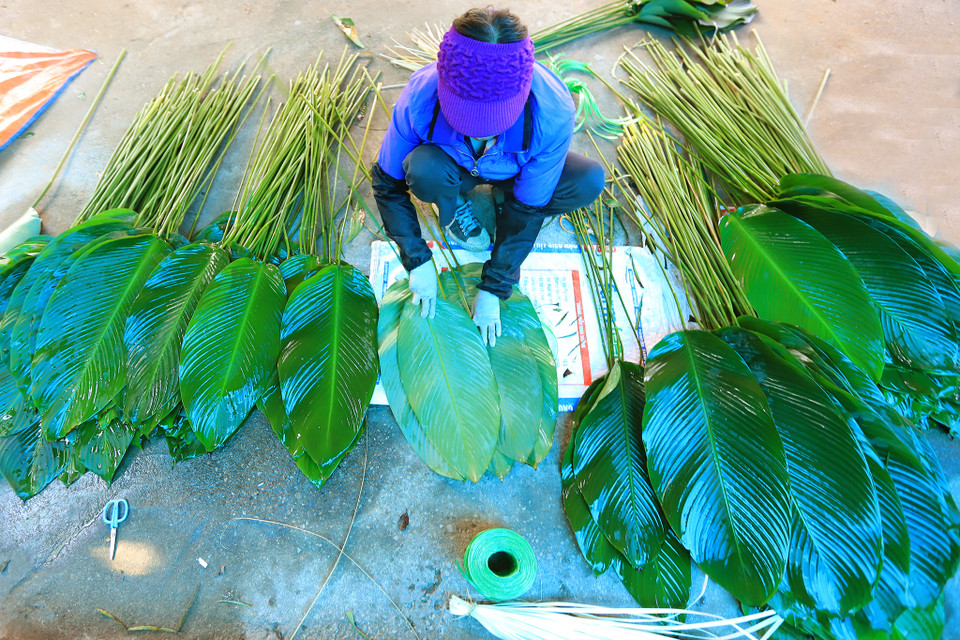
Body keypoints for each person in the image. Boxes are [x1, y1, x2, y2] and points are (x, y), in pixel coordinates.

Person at [372, 7, 605, 346]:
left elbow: (531, 208)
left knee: (587, 181)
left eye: (492, 124)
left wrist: (496, 287)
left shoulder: (553, 111)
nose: (480, 135)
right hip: (458, 168)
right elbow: (387, 182)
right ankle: (451, 205)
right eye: (463, 117)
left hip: (513, 171)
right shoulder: (420, 94)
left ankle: (503, 198)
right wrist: (416, 257)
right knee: (422, 169)